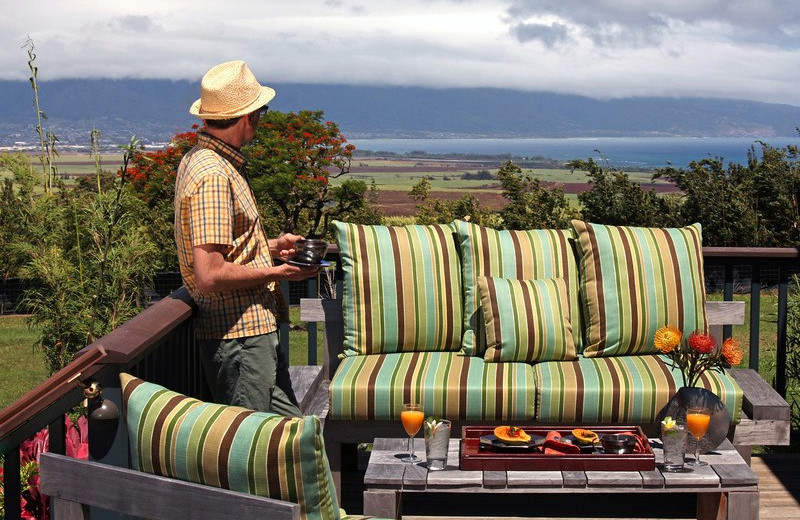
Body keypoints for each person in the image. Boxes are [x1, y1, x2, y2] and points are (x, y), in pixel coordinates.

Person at [174, 60, 317, 416]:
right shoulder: (214, 175)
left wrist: (268, 248)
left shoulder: (202, 160)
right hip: (239, 337)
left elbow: (224, 248)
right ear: (248, 117)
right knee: (258, 447)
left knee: (291, 437)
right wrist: (278, 274)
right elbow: (209, 273)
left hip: (249, 334)